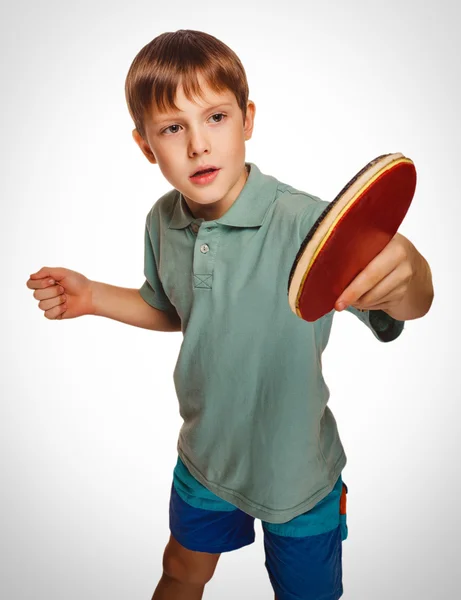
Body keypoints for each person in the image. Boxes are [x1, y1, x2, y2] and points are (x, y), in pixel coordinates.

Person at [26, 29, 434, 600]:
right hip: (206, 460)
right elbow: (173, 308)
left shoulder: (307, 223)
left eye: (215, 117)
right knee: (180, 572)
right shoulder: (161, 220)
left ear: (247, 119)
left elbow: (408, 303)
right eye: (173, 128)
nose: (198, 144)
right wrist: (92, 296)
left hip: (298, 474)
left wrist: (411, 273)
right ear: (146, 145)